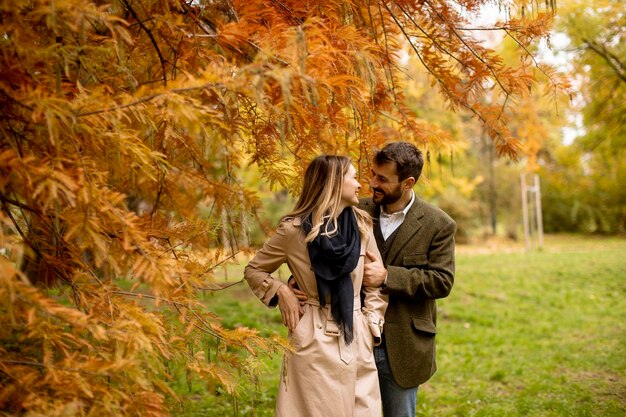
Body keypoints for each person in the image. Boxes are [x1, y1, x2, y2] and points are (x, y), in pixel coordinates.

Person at [244, 155, 388, 417]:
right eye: (353, 177)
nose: (359, 185)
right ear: (333, 183)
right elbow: (254, 269)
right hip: (313, 336)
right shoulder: (293, 231)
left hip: (356, 335)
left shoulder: (362, 226)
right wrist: (281, 290)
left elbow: (374, 283)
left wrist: (372, 322)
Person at [359, 142, 456, 417]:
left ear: (407, 183)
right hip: (354, 338)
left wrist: (388, 276)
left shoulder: (439, 224)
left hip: (404, 346)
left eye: (382, 179)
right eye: (373, 174)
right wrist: (297, 280)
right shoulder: (356, 210)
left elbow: (442, 281)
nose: (372, 183)